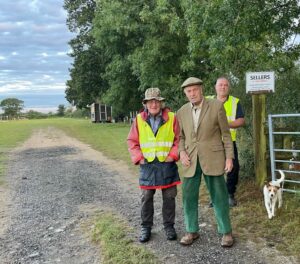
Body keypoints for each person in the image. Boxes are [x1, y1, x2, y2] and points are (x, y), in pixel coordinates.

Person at [177, 77, 234, 247]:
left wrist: (229, 157)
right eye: (188, 91)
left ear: (201, 90)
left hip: (214, 157)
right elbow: (180, 137)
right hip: (190, 160)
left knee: (220, 196)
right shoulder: (181, 112)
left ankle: (226, 232)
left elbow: (226, 134)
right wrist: (181, 152)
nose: (192, 93)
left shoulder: (216, 106)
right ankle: (191, 230)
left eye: (195, 90)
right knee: (188, 197)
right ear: (185, 93)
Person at [127, 87, 181, 243]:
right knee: (146, 197)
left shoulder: (172, 117)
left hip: (167, 164)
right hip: (148, 165)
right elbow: (132, 141)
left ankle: (169, 226)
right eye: (150, 101)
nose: (154, 104)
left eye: (157, 101)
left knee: (170, 197)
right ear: (145, 104)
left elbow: (179, 139)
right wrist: (138, 157)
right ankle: (146, 227)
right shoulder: (138, 119)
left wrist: (173, 155)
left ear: (161, 103)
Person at [213, 77, 245, 207]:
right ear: (215, 87)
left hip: (229, 141)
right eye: (220, 85)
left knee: (234, 167)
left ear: (229, 87)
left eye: (226, 85)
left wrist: (225, 124)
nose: (223, 87)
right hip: (212, 141)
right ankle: (215, 196)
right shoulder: (208, 101)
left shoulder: (235, 101)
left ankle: (229, 194)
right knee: (214, 169)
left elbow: (241, 121)